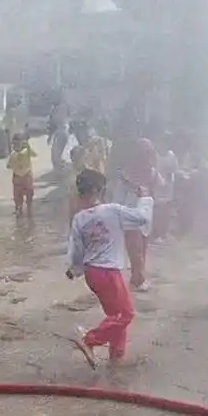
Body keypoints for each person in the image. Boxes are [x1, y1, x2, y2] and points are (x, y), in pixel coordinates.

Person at [66, 167, 152, 367]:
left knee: (115, 317)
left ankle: (116, 358)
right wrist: (145, 198)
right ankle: (89, 340)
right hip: (108, 272)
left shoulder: (79, 218)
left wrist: (75, 269)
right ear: (98, 190)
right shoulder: (112, 210)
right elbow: (142, 218)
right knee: (125, 314)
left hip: (93, 274)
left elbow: (76, 249)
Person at [116, 139, 157, 291]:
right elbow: (118, 197)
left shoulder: (152, 172)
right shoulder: (125, 174)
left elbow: (154, 194)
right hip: (130, 215)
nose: (146, 157)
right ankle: (139, 280)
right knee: (136, 250)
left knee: (143, 248)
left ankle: (136, 277)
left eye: (148, 153)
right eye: (143, 153)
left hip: (146, 214)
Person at [7, 135, 38, 220]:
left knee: (29, 195)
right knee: (18, 197)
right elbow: (8, 166)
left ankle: (28, 212)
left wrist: (28, 147)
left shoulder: (27, 151)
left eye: (18, 143)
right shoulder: (13, 154)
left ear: (22, 143)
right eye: (14, 144)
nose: (16, 146)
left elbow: (35, 155)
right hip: (18, 177)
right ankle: (19, 211)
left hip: (26, 176)